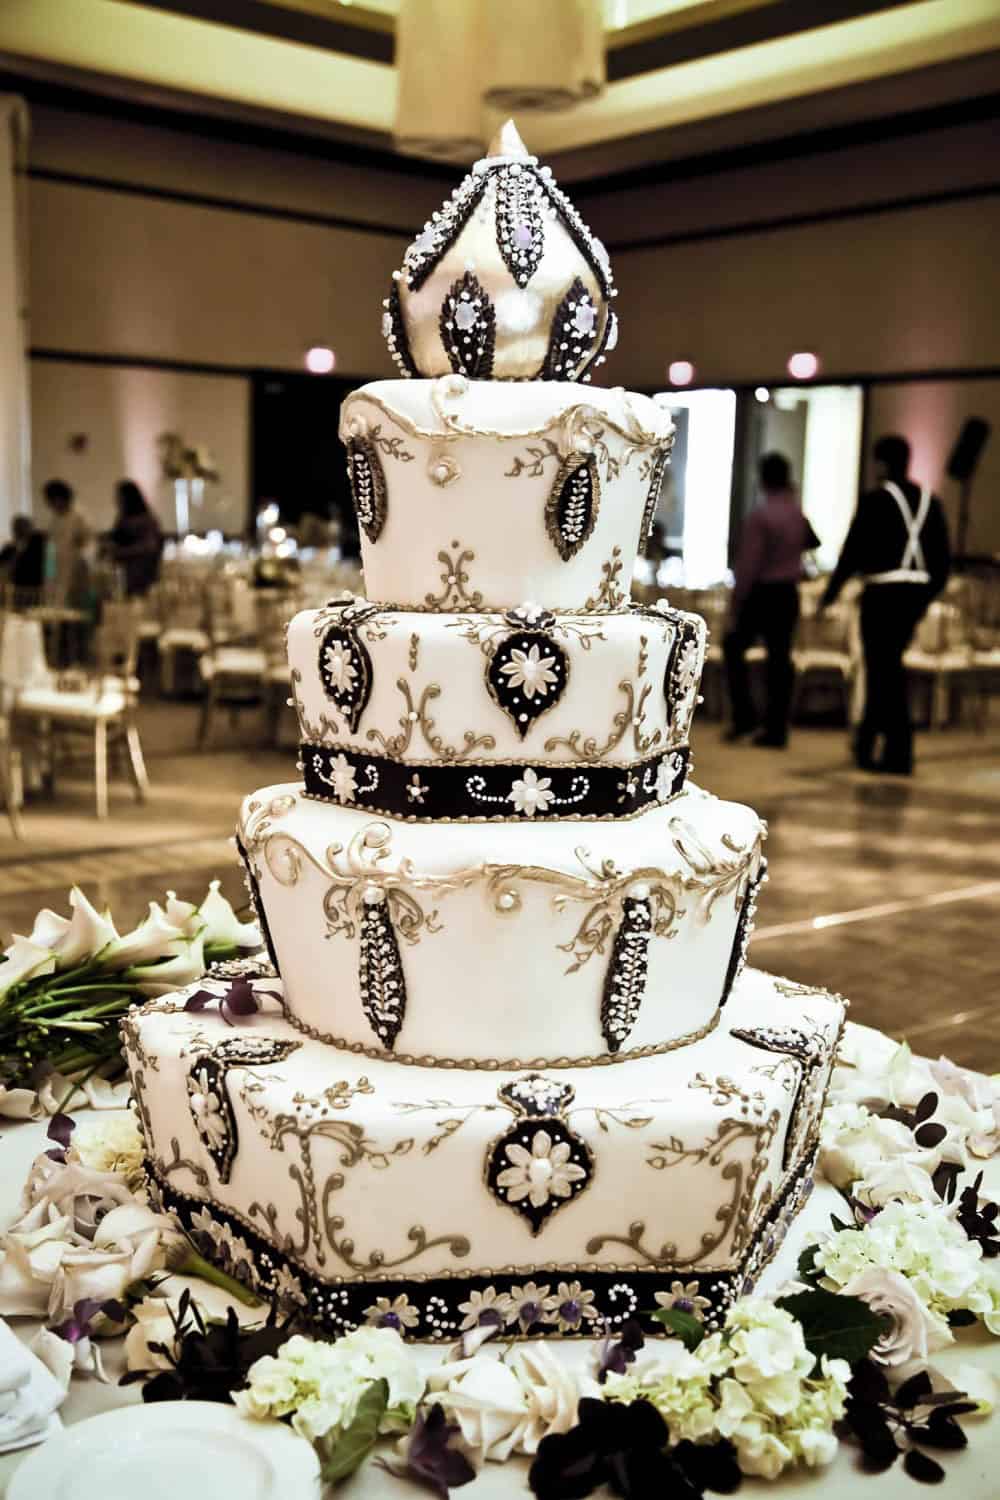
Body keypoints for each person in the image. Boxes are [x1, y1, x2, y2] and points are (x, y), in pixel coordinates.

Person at [820, 434, 950, 776]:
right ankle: (872, 745)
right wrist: (924, 597)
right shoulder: (929, 502)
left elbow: (853, 552)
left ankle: (893, 750)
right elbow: (942, 561)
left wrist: (830, 594)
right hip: (914, 596)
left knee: (882, 671)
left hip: (881, 595)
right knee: (887, 669)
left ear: (881, 463)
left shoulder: (875, 501)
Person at [723, 452, 820, 748]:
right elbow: (814, 541)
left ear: (762, 478)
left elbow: (749, 565)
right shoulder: (796, 513)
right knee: (780, 660)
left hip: (762, 592)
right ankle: (776, 729)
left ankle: (745, 717)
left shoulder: (761, 516)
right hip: (787, 594)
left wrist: (737, 602)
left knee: (733, 647)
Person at [107, 480, 163, 596]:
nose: (116, 500)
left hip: (141, 573)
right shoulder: (122, 519)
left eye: (119, 497)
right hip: (124, 574)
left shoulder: (145, 520)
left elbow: (149, 546)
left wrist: (121, 552)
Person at [42, 479, 91, 609]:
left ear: (61, 498)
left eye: (51, 500)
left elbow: (86, 545)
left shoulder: (78, 518)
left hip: (72, 567)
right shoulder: (54, 519)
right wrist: (49, 570)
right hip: (53, 566)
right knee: (52, 600)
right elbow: (51, 546)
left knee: (70, 603)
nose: (50, 504)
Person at [0, 515, 46, 592]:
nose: (20, 530)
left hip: (37, 587)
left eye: (24, 526)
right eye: (17, 528)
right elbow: (3, 567)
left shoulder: (38, 541)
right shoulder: (10, 548)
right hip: (20, 587)